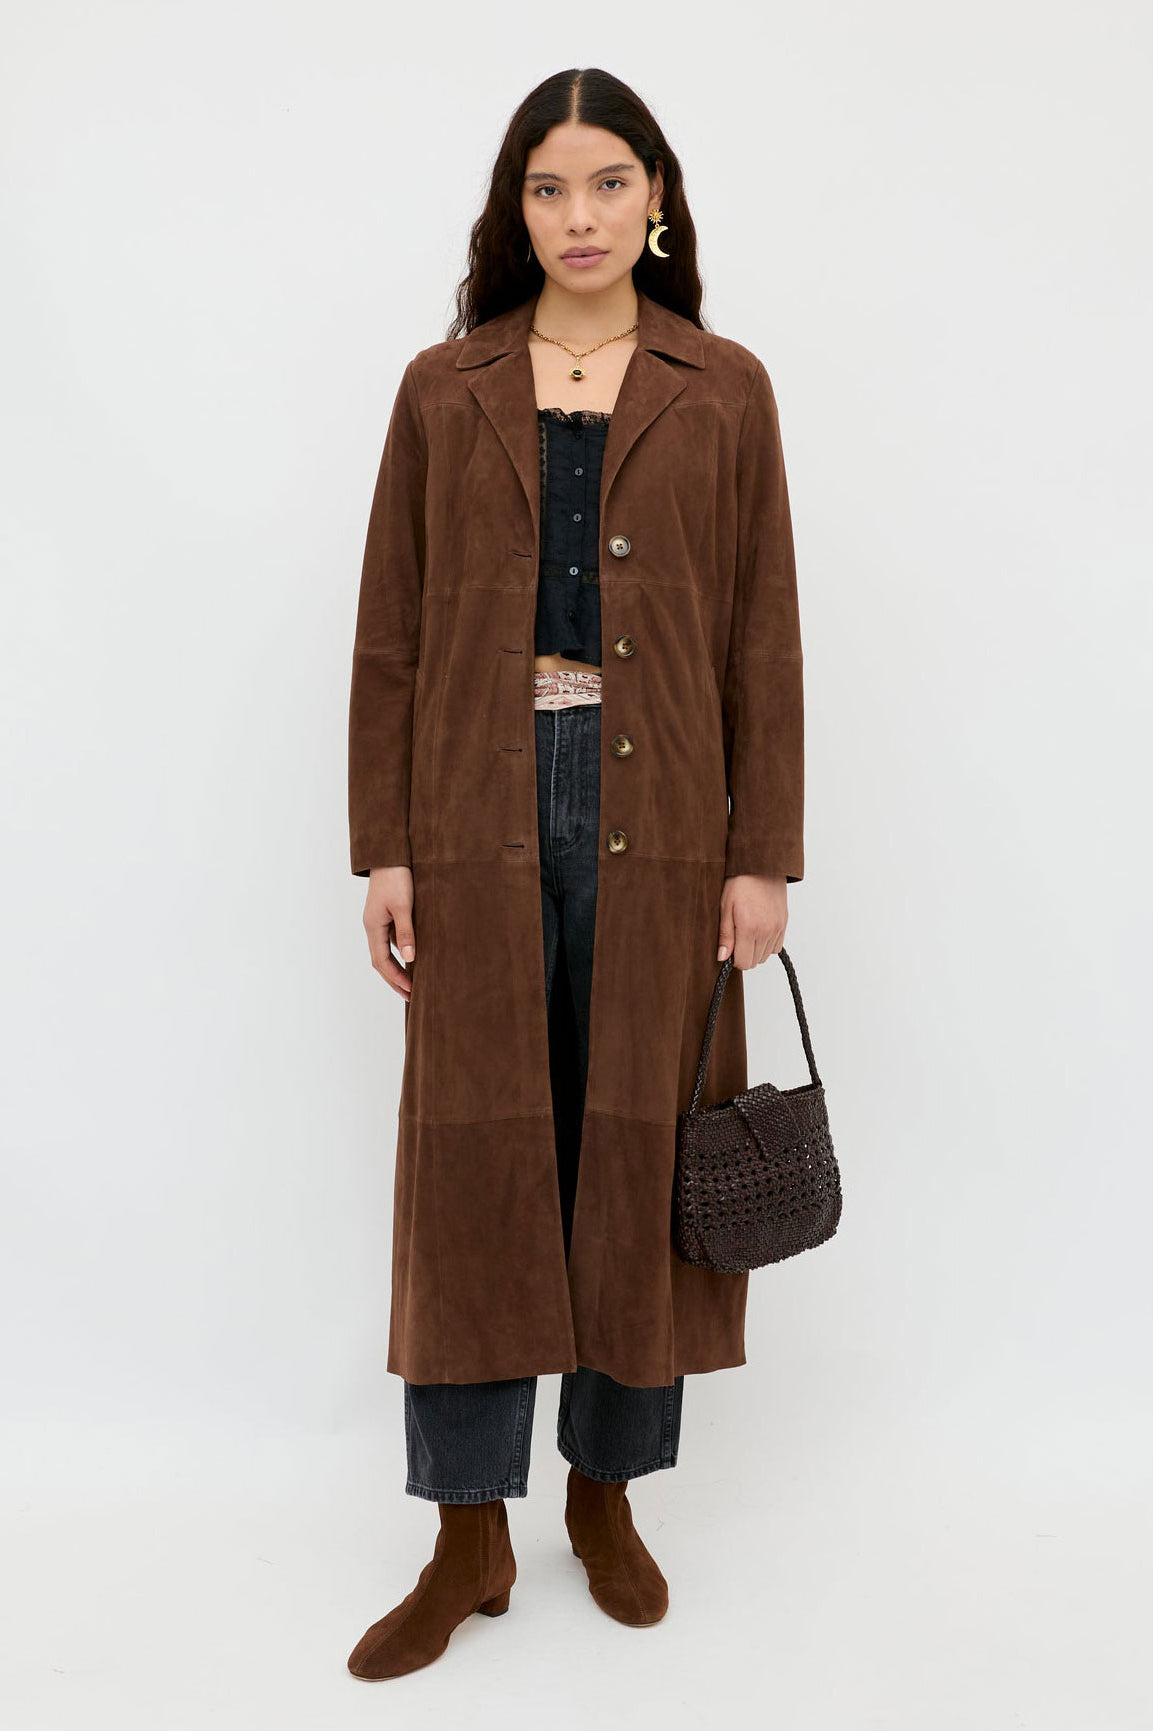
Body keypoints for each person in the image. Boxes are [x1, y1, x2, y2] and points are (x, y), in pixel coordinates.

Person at [345, 66, 805, 1679]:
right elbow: (391, 631)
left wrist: (761, 856)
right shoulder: (444, 384)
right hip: (471, 810)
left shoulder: (720, 387)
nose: (581, 216)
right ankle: (467, 1529)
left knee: (634, 1152)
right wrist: (385, 845)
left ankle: (605, 1495)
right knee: (473, 1164)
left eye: (609, 183)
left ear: (655, 199)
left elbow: (761, 633)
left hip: (660, 811)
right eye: (549, 188)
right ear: (516, 209)